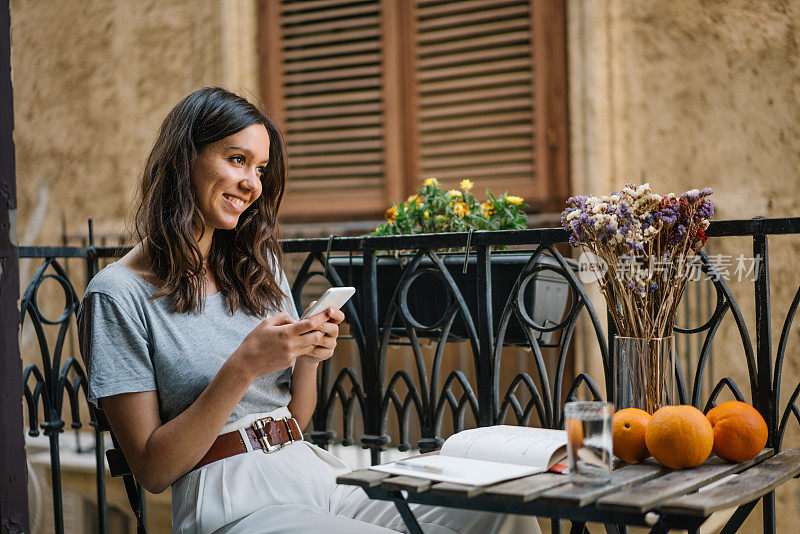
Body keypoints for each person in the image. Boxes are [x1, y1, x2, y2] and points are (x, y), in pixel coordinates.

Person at [78, 87, 541, 533]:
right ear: (185, 160)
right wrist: (243, 365)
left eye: (260, 169)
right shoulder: (118, 295)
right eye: (237, 159)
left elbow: (295, 417)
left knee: (501, 510)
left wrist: (309, 358)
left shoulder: (255, 267)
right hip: (227, 496)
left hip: (312, 472)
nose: (251, 184)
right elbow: (152, 469)